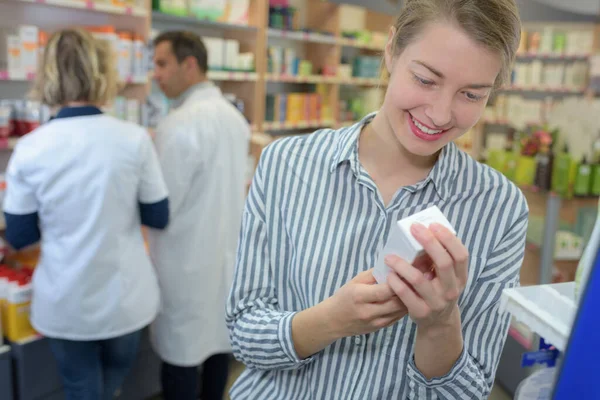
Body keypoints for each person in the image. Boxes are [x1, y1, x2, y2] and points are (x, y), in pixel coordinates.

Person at [226, 0, 528, 398]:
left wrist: (439, 324)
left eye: (471, 95)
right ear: (391, 49)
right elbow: (244, 334)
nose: (439, 114)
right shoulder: (286, 164)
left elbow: (468, 393)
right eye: (424, 79)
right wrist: (330, 320)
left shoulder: (499, 209)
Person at [3, 29, 169, 400]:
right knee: (112, 380)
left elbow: (20, 235)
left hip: (66, 300)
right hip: (126, 298)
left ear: (47, 76)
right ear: (104, 74)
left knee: (80, 386)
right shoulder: (134, 138)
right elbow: (158, 215)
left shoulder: (30, 149)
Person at [149, 31, 250, 400]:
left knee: (181, 358)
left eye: (162, 63)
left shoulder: (179, 124)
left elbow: (162, 206)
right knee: (215, 350)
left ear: (189, 65)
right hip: (223, 259)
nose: (155, 74)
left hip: (185, 264)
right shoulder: (232, 118)